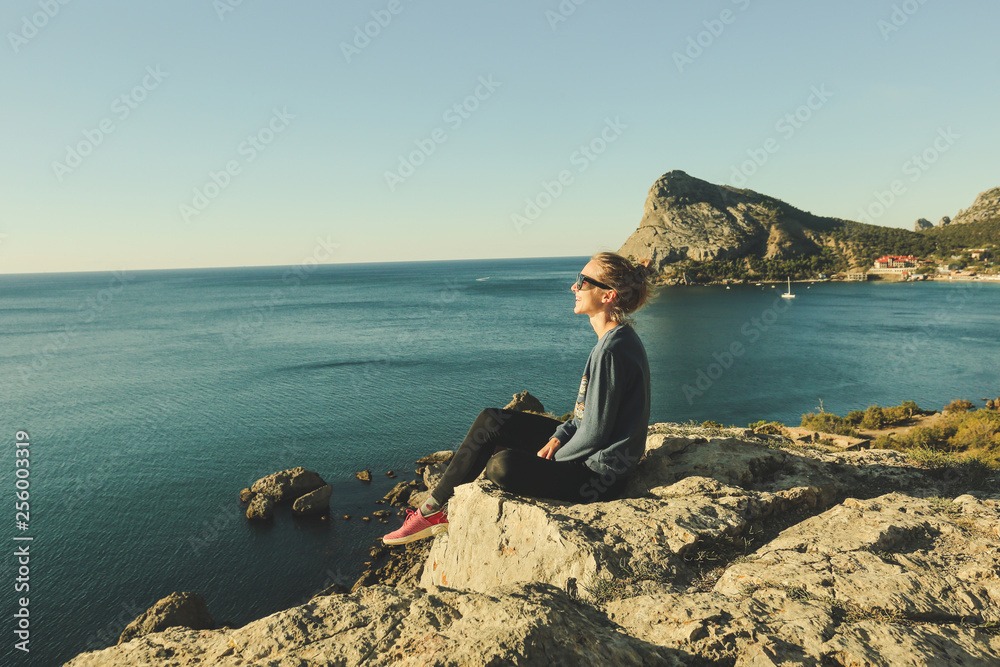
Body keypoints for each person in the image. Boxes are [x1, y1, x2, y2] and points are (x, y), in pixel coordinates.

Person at [382, 252, 655, 545]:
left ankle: (435, 510)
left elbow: (595, 432)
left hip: (599, 476)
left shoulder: (611, 351)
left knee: (501, 466)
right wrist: (557, 437)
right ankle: (433, 509)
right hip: (589, 453)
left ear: (608, 296)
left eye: (582, 282)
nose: (573, 288)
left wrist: (555, 460)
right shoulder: (615, 340)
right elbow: (582, 416)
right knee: (492, 420)